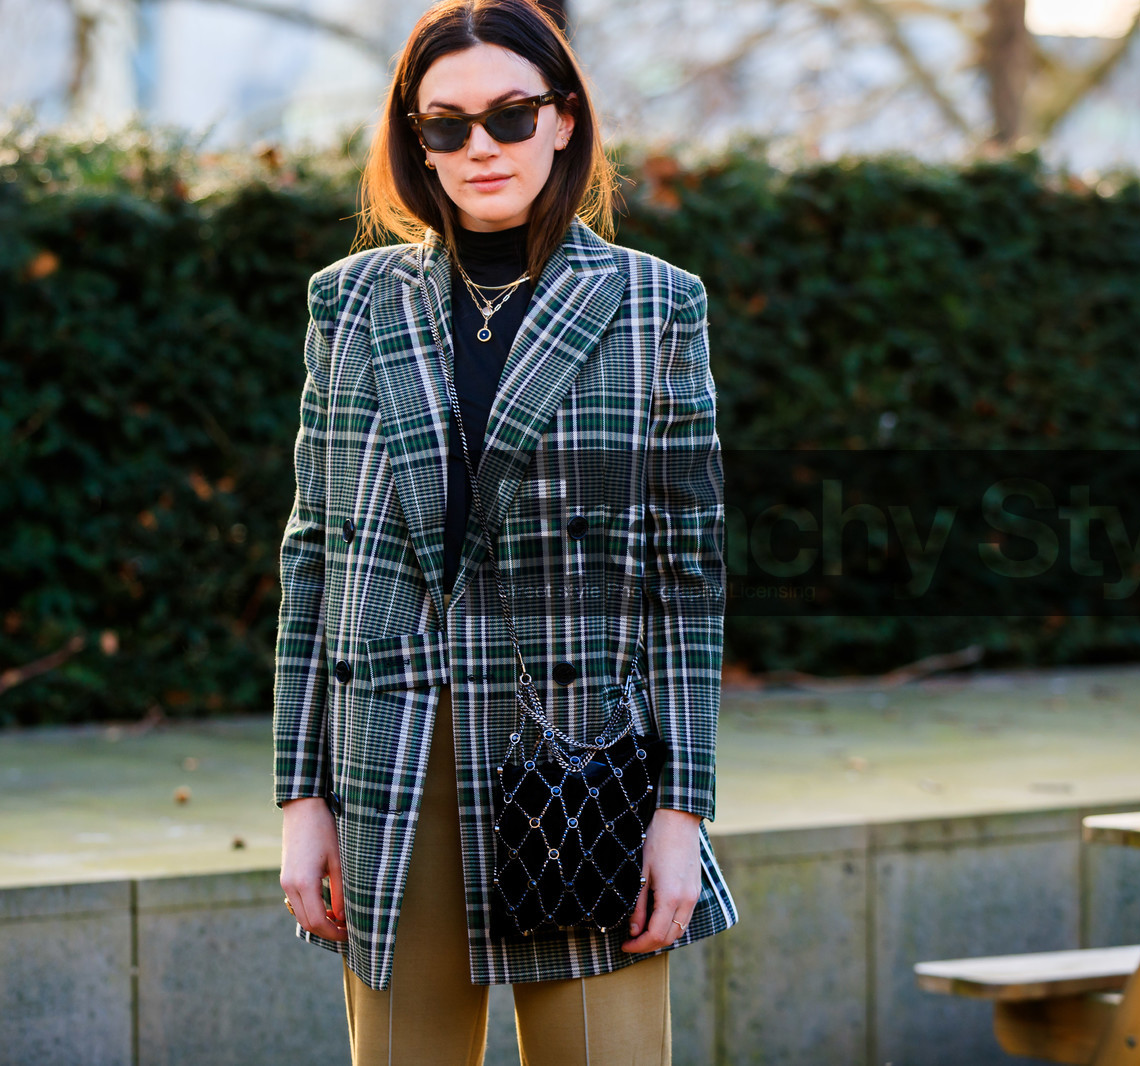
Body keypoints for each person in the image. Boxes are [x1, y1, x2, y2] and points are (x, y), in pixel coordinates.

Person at [273, 1, 737, 1062]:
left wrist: (682, 813)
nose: (479, 147)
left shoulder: (652, 306)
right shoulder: (351, 306)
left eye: (510, 115)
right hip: (391, 762)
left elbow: (687, 578)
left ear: (563, 120)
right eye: (445, 124)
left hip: (579, 770)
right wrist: (302, 795)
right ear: (414, 136)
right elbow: (316, 552)